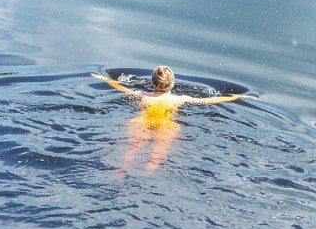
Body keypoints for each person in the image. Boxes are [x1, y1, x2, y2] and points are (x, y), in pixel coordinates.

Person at [92, 66, 257, 174]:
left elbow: (121, 88)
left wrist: (104, 78)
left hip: (141, 121)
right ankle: (147, 177)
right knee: (156, 155)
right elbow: (210, 101)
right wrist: (237, 96)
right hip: (167, 125)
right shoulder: (180, 99)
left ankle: (122, 172)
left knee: (131, 150)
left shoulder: (143, 95)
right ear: (172, 84)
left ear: (152, 82)